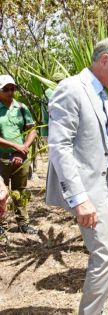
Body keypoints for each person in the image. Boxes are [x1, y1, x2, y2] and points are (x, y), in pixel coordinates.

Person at [46, 38, 108, 315]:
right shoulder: (71, 89)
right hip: (88, 188)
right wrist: (79, 198)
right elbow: (59, 147)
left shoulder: (101, 93)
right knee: (106, 256)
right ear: (104, 60)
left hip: (106, 185)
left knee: (106, 256)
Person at [0, 74, 38, 236]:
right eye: (5, 89)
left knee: (20, 191)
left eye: (12, 89)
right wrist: (15, 145)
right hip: (1, 158)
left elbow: (32, 129)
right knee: (0, 193)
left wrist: (24, 148)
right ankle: (1, 225)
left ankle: (23, 222)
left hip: (20, 157)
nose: (10, 92)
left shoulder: (21, 108)